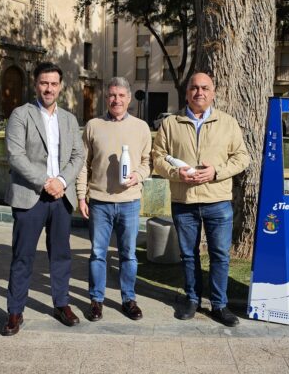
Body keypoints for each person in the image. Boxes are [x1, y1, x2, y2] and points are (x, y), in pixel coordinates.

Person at [151, 72, 249, 327]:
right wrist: (176, 172)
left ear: (213, 92)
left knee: (220, 255)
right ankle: (192, 299)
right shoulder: (171, 123)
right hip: (184, 202)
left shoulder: (227, 123)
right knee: (188, 255)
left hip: (218, 201)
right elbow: (158, 159)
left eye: (205, 88)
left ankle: (219, 305)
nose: (199, 92)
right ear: (187, 93)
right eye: (194, 88)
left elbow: (242, 157)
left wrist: (216, 171)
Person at [1, 62, 84, 336]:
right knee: (22, 256)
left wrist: (60, 182)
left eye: (53, 84)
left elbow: (78, 156)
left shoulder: (70, 120)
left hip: (61, 198)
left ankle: (61, 303)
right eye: (44, 83)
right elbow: (15, 155)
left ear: (61, 87)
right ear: (35, 84)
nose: (49, 88)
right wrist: (44, 181)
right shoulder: (21, 115)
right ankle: (15, 311)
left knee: (61, 255)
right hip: (30, 197)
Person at [76, 77, 151, 322]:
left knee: (128, 254)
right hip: (99, 202)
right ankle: (96, 300)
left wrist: (137, 176)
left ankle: (128, 299)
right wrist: (81, 195)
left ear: (129, 98)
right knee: (98, 253)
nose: (116, 100)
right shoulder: (93, 125)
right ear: (105, 98)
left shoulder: (141, 127)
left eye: (121, 95)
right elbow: (83, 165)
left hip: (130, 202)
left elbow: (147, 162)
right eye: (111, 95)